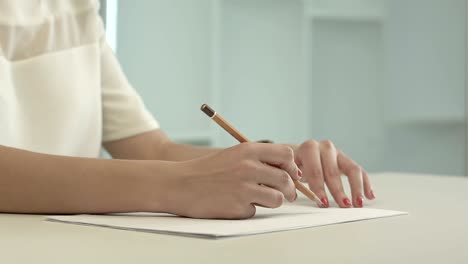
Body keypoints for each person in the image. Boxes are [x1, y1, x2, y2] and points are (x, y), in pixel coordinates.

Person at [0, 0, 375, 219]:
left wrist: (271, 160)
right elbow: (169, 170)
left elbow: (151, 150)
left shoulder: (76, 8)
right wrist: (174, 187)